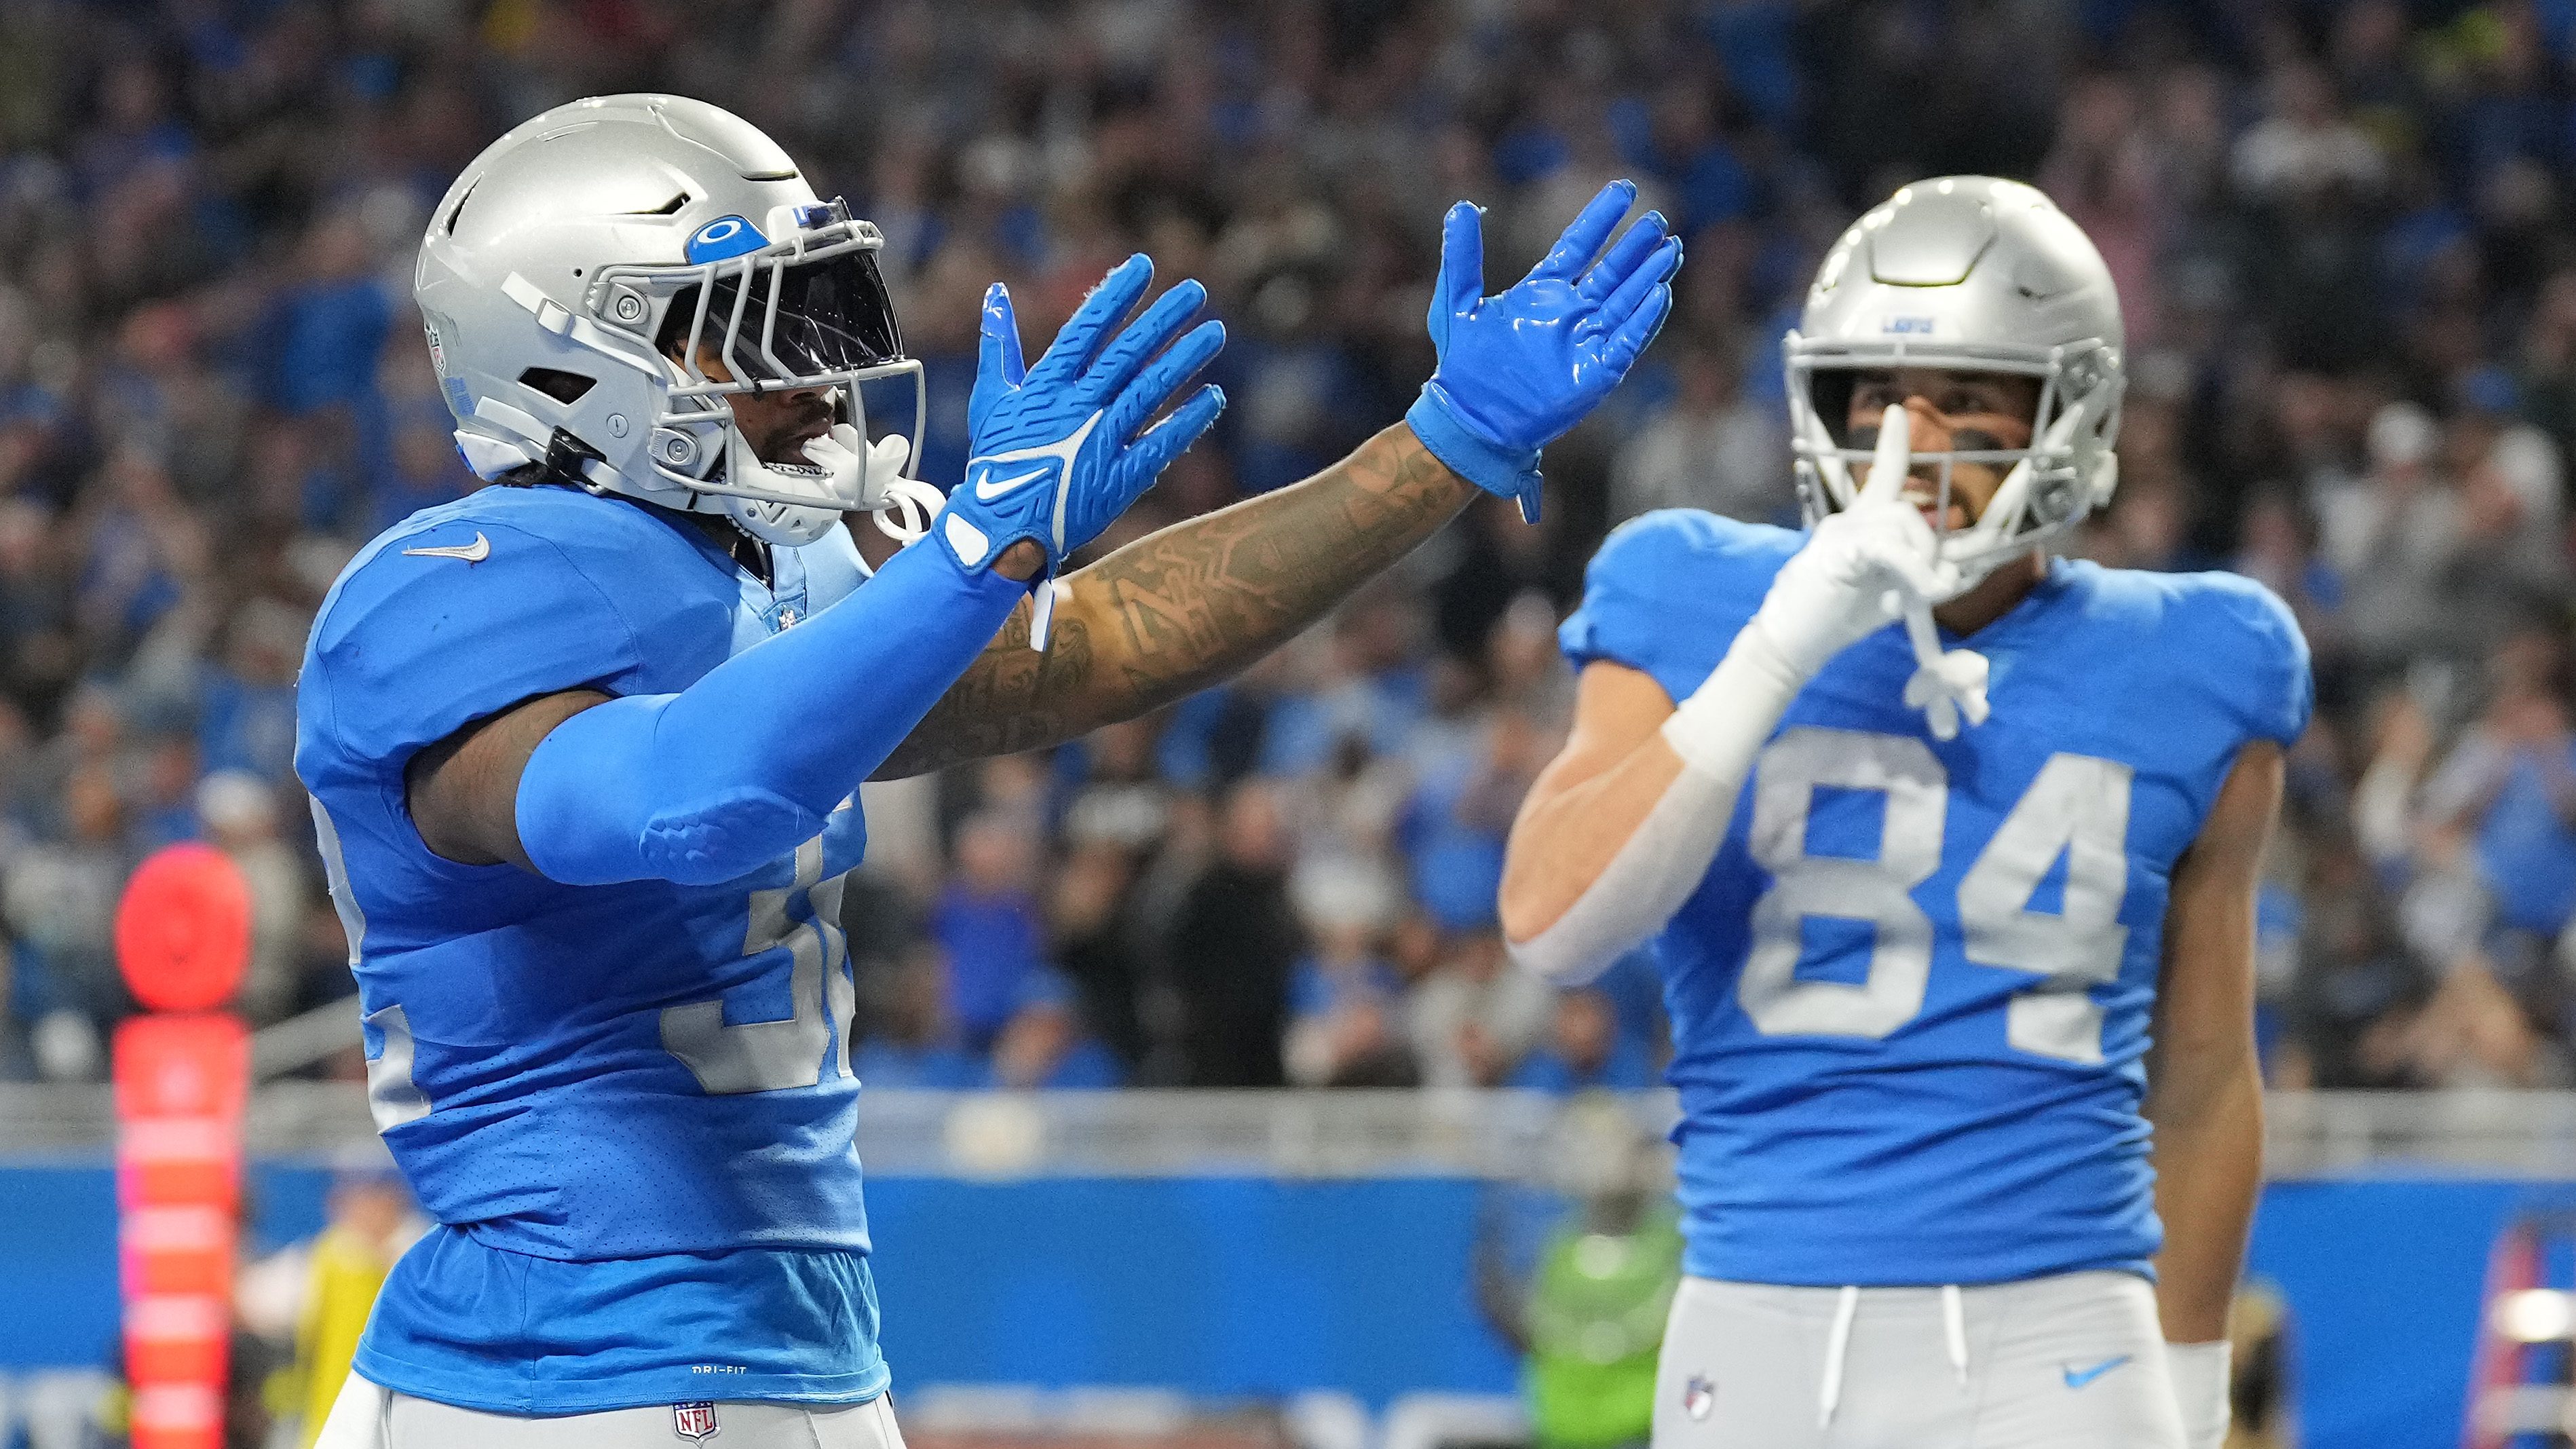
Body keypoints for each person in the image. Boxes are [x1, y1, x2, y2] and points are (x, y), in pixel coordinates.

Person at [299, 94, 1678, 1448]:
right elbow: (678, 800)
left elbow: (1097, 641)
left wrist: (1437, 448)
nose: (813, 375)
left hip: (768, 1346)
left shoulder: (772, 568)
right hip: (561, 1372)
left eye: (817, 314)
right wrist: (969, 558)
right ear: (566, 362)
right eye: (749, 334)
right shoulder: (446, 597)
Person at [1498, 178, 2304, 1449]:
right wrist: (1781, 647)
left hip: (2063, 1331)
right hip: (1754, 1318)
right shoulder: (1691, 593)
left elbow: (2202, 1078)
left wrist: (2196, 1394)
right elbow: (1553, 925)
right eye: (1874, 396)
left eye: (1967, 400)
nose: (1908, 443)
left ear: (2070, 414)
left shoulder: (2202, 659)